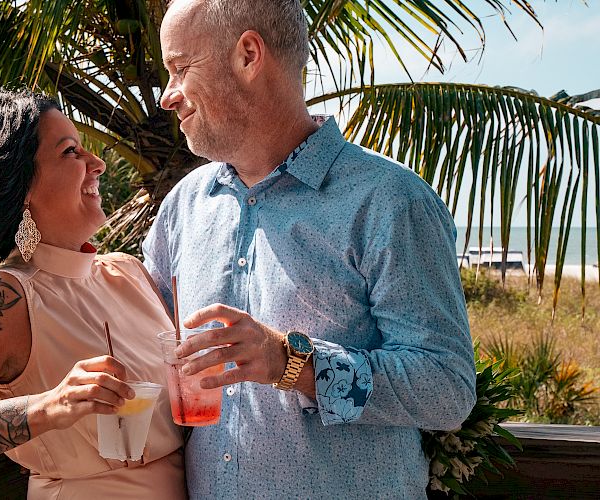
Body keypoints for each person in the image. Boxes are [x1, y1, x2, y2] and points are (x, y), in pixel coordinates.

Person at [143, 0, 477, 498]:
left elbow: (446, 388)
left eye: (179, 69)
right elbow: (140, 341)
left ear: (249, 55)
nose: (167, 96)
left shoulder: (388, 200)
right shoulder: (183, 207)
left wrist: (291, 362)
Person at [0, 89, 187, 499]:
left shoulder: (126, 272)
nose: (99, 163)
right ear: (19, 185)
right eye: (71, 153)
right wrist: (50, 406)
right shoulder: (4, 300)